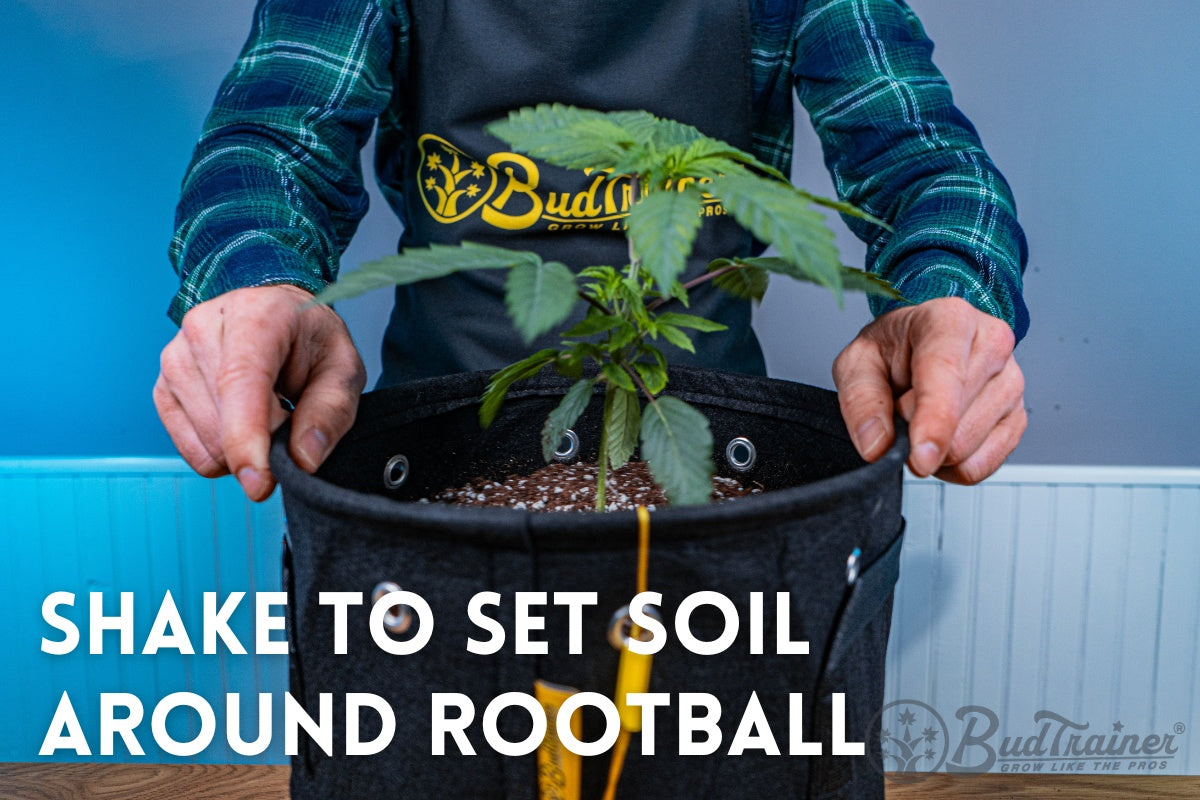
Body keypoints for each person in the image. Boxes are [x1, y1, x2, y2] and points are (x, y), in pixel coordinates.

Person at [155, 0, 1028, 502]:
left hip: (701, 468)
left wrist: (947, 294)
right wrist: (250, 281)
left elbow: (923, 158)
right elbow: (270, 143)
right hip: (440, 463)